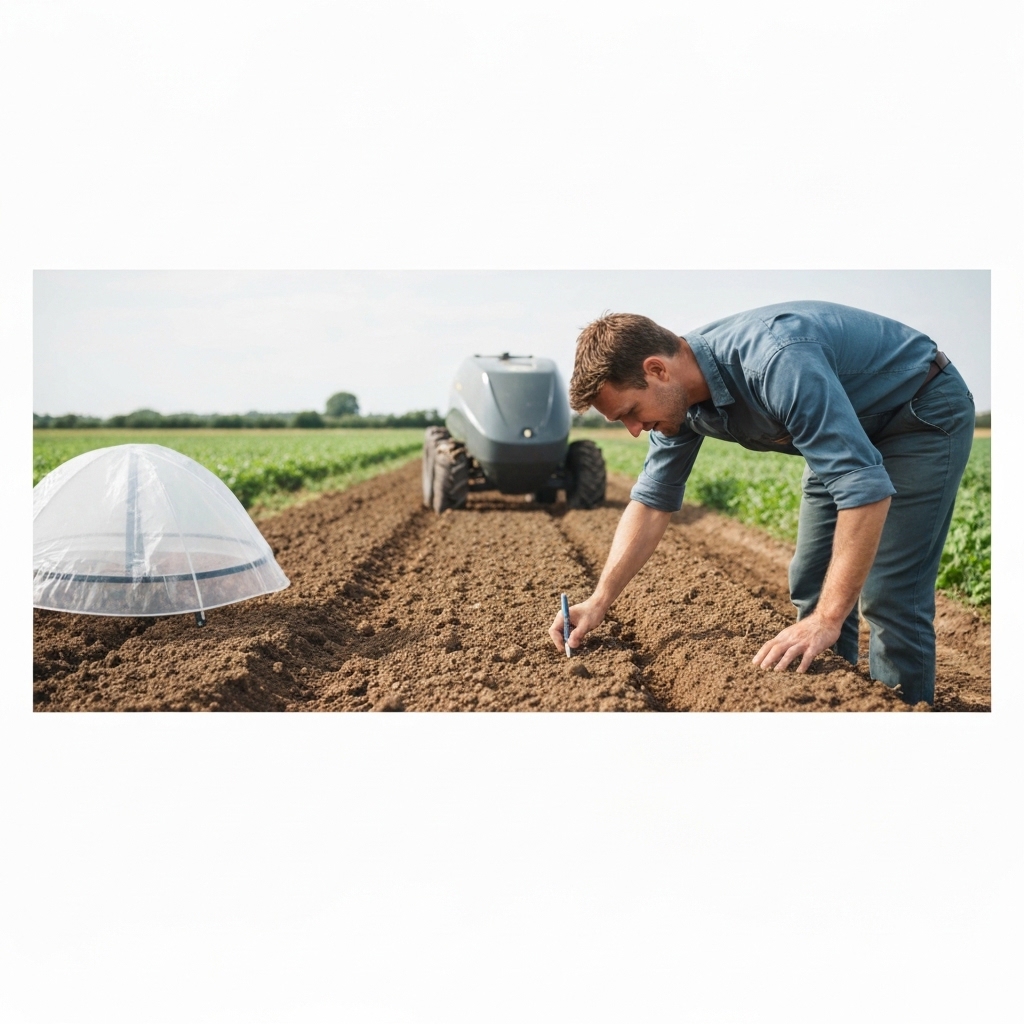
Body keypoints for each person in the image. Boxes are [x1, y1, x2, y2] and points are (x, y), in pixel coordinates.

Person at [548, 300, 975, 705]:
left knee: (889, 594)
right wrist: (599, 601)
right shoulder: (678, 398)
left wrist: (827, 620)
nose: (634, 429)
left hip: (917, 411)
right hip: (844, 427)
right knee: (811, 579)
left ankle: (901, 719)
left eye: (630, 411)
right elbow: (652, 501)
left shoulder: (775, 362)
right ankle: (838, 702)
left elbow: (864, 489)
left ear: (656, 370)